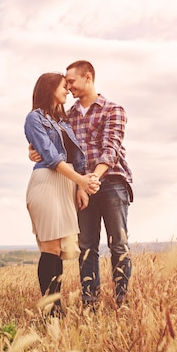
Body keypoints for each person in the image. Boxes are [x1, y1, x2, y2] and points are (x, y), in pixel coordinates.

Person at [30, 60, 133, 309]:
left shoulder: (113, 109)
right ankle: (90, 302)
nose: (69, 87)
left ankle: (121, 299)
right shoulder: (68, 115)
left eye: (72, 81)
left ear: (88, 77)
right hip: (81, 186)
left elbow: (111, 148)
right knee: (87, 245)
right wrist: (33, 150)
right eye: (65, 84)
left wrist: (93, 178)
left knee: (118, 244)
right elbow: (54, 143)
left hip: (111, 182)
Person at [24, 72, 100, 317]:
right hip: (47, 181)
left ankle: (57, 308)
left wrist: (80, 187)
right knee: (49, 247)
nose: (67, 90)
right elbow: (51, 156)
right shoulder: (34, 118)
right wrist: (82, 181)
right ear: (49, 88)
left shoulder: (63, 122)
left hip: (66, 184)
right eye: (63, 86)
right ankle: (52, 309)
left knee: (58, 249)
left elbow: (76, 158)